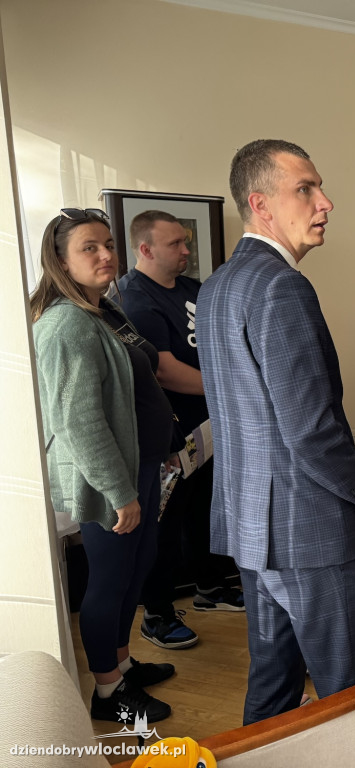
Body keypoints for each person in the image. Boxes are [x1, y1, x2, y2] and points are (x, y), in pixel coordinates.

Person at [196, 140, 355, 764]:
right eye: (305, 189)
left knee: (273, 691)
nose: (325, 202)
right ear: (260, 205)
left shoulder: (217, 287)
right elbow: (310, 430)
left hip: (256, 529)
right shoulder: (281, 287)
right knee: (352, 699)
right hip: (311, 533)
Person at [31, 208, 176, 723]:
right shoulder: (66, 324)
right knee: (110, 582)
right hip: (109, 480)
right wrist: (120, 492)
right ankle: (108, 692)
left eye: (109, 244)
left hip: (141, 466)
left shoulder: (103, 310)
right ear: (61, 261)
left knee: (135, 571)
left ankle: (121, 663)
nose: (106, 255)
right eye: (89, 248)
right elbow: (79, 423)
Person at [118, 210, 244, 653]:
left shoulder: (193, 289)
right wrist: (233, 387)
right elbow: (165, 370)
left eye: (186, 242)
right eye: (175, 244)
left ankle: (211, 588)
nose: (187, 250)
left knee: (207, 509)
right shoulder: (135, 298)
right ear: (146, 249)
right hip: (168, 438)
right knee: (165, 526)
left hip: (209, 427)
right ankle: (158, 615)